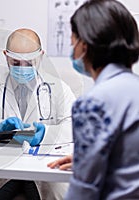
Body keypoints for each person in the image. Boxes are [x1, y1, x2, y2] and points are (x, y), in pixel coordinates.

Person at [0, 28, 76, 199]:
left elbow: (74, 127)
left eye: (29, 63)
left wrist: (45, 134)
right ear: (6, 56)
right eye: (16, 63)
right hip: (1, 169)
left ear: (41, 56)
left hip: (43, 169)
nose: (22, 68)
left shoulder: (59, 89)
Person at [48, 0, 139, 199]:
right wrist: (92, 159)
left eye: (72, 42)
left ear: (85, 45)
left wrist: (85, 169)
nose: (72, 49)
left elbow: (84, 190)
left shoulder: (93, 103)